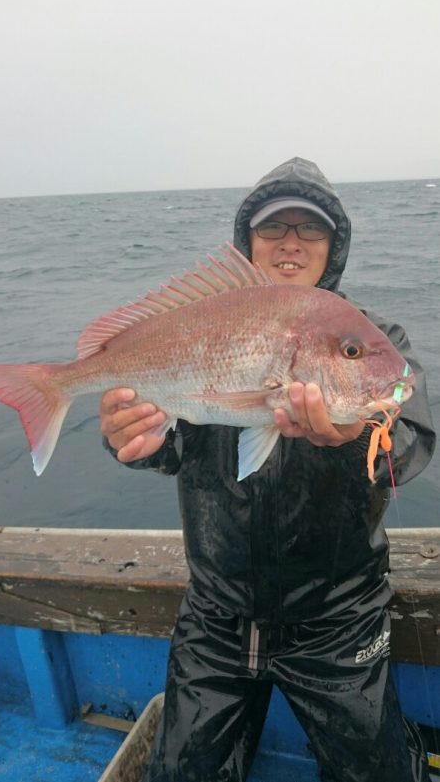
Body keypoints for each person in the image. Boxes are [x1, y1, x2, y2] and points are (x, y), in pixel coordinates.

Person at [99, 157, 436, 782]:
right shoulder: (209, 322)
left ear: (333, 245)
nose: (290, 242)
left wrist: (355, 438)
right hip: (215, 616)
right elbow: (175, 442)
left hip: (339, 619)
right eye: (273, 226)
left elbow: (411, 440)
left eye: (310, 228)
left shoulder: (374, 337)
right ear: (247, 241)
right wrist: (133, 437)